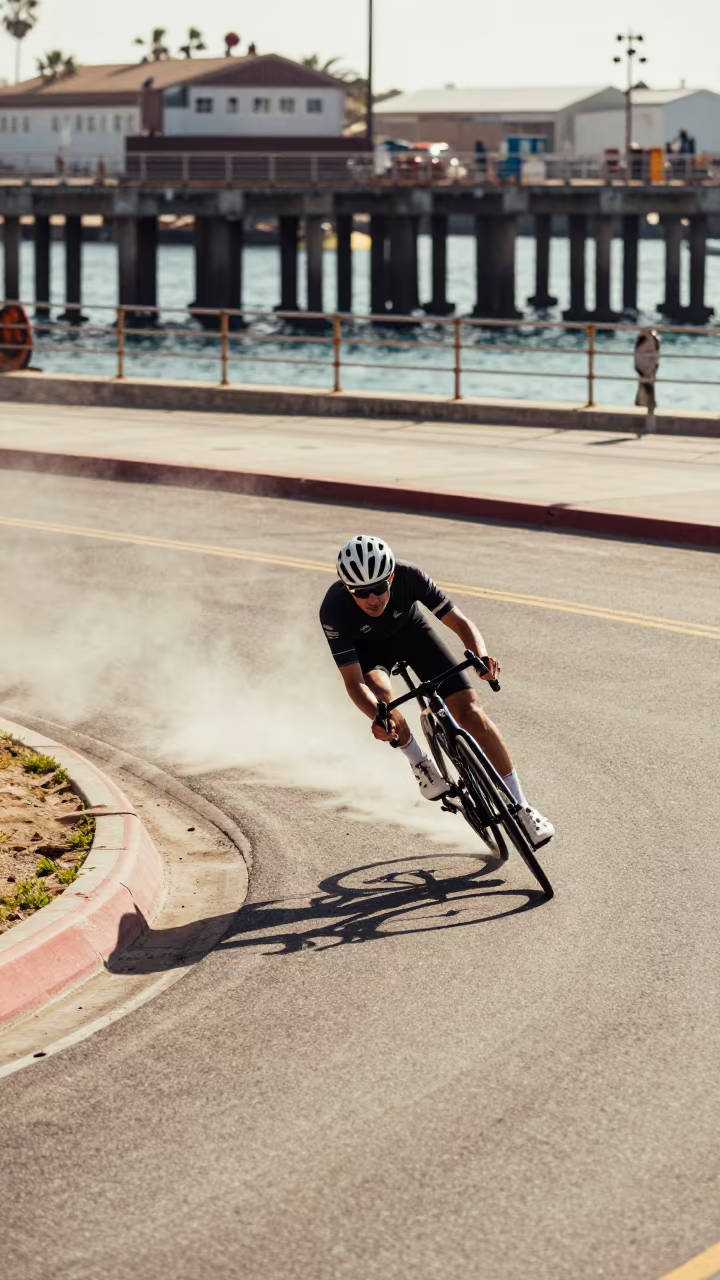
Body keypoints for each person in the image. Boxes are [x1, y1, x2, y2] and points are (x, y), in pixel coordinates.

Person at [319, 534, 554, 848]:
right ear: (348, 589)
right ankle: (419, 762)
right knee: (381, 695)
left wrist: (480, 656)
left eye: (379, 588)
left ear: (391, 577)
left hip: (414, 635)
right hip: (370, 653)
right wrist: (379, 717)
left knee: (471, 713)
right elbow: (354, 682)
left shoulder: (410, 577)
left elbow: (459, 622)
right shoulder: (333, 610)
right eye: (361, 593)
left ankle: (522, 807)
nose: (373, 599)